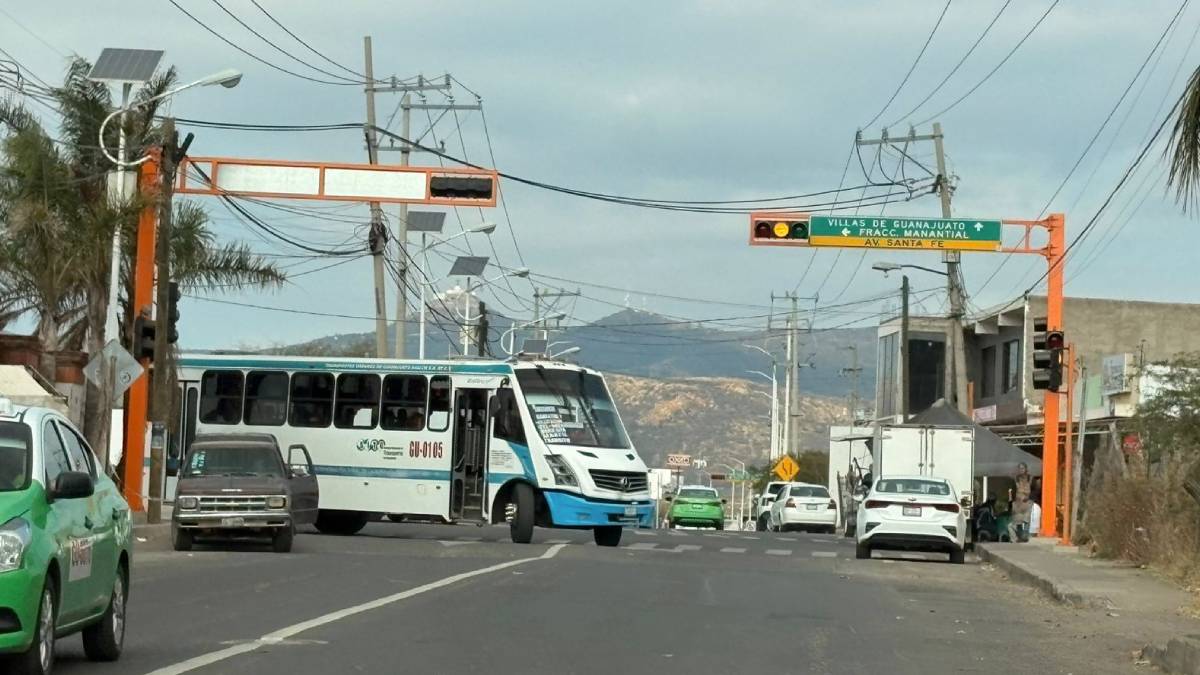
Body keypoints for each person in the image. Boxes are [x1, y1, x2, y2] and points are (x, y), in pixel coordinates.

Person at [1007, 462, 1033, 543]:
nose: (1021, 470)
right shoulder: (1015, 479)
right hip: (1017, 503)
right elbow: (1011, 491)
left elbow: (1035, 489)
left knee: (1026, 520)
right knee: (1017, 521)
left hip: (1027, 502)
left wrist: (1029, 497)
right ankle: (1018, 537)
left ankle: (1025, 536)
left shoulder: (1030, 478)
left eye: (1022, 468)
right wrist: (1011, 502)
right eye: (1019, 468)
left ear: (1026, 469)